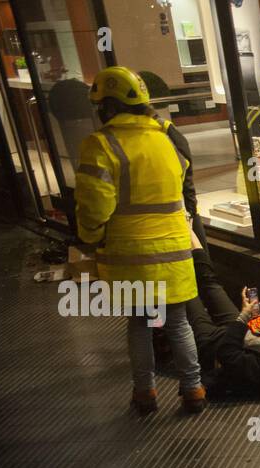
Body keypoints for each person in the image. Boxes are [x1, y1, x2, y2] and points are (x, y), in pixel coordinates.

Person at [74, 66, 205, 415]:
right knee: (177, 322)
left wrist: (88, 237)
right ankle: (193, 389)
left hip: (130, 254)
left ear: (107, 107)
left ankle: (145, 393)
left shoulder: (101, 144)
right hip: (175, 247)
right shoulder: (166, 136)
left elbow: (94, 205)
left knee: (141, 323)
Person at [185, 242, 260, 400]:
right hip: (240, 329)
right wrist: (252, 313)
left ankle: (176, 239)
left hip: (216, 343)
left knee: (187, 291)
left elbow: (227, 353)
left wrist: (243, 316)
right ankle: (189, 229)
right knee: (210, 281)